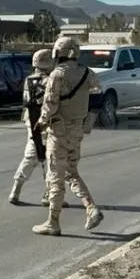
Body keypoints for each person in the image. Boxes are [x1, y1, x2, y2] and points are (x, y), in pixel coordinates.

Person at [34, 36, 104, 236]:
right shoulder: (87, 73)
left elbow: (50, 104)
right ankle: (90, 207)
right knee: (71, 171)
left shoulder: (57, 75)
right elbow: (98, 96)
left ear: (57, 53)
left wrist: (41, 121)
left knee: (55, 174)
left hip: (59, 130)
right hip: (77, 131)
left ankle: (52, 222)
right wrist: (87, 123)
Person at [10, 49, 58, 205]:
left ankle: (16, 190)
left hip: (31, 121)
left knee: (31, 156)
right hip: (48, 122)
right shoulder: (50, 80)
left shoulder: (29, 79)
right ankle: (49, 194)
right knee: (52, 158)